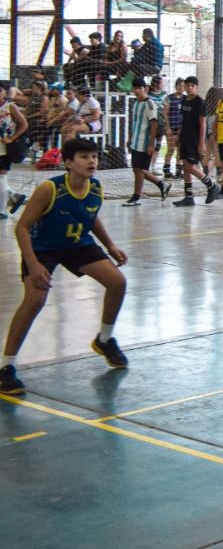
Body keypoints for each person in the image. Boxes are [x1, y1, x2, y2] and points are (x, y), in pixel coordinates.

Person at [0, 138, 130, 396]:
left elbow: (90, 217)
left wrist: (110, 245)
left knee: (117, 282)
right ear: (68, 163)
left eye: (94, 156)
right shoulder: (50, 189)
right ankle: (6, 367)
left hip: (76, 243)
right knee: (35, 300)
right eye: (84, 156)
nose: (91, 161)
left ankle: (104, 340)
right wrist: (33, 265)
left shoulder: (95, 188)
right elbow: (22, 227)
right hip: (43, 247)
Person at [122, 78, 171, 206]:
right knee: (137, 169)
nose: (138, 90)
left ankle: (136, 196)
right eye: (135, 88)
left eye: (140, 88)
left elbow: (154, 124)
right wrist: (130, 137)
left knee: (140, 170)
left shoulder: (150, 104)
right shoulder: (136, 103)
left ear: (146, 89)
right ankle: (162, 185)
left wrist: (150, 144)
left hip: (144, 143)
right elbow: (135, 122)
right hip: (136, 142)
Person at [172, 76, 221, 206]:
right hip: (184, 138)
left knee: (190, 167)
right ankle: (189, 197)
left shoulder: (200, 103)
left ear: (197, 87)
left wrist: (201, 143)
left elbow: (202, 123)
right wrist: (178, 135)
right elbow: (183, 120)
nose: (189, 88)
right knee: (185, 167)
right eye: (187, 85)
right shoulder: (184, 100)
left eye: (192, 86)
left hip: (194, 140)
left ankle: (211, 185)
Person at [0, 83, 30, 218]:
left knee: (1, 177)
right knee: (1, 179)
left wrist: (12, 138)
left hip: (4, 148)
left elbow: (24, 124)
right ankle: (12, 199)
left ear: (4, 92)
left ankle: (5, 207)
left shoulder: (10, 106)